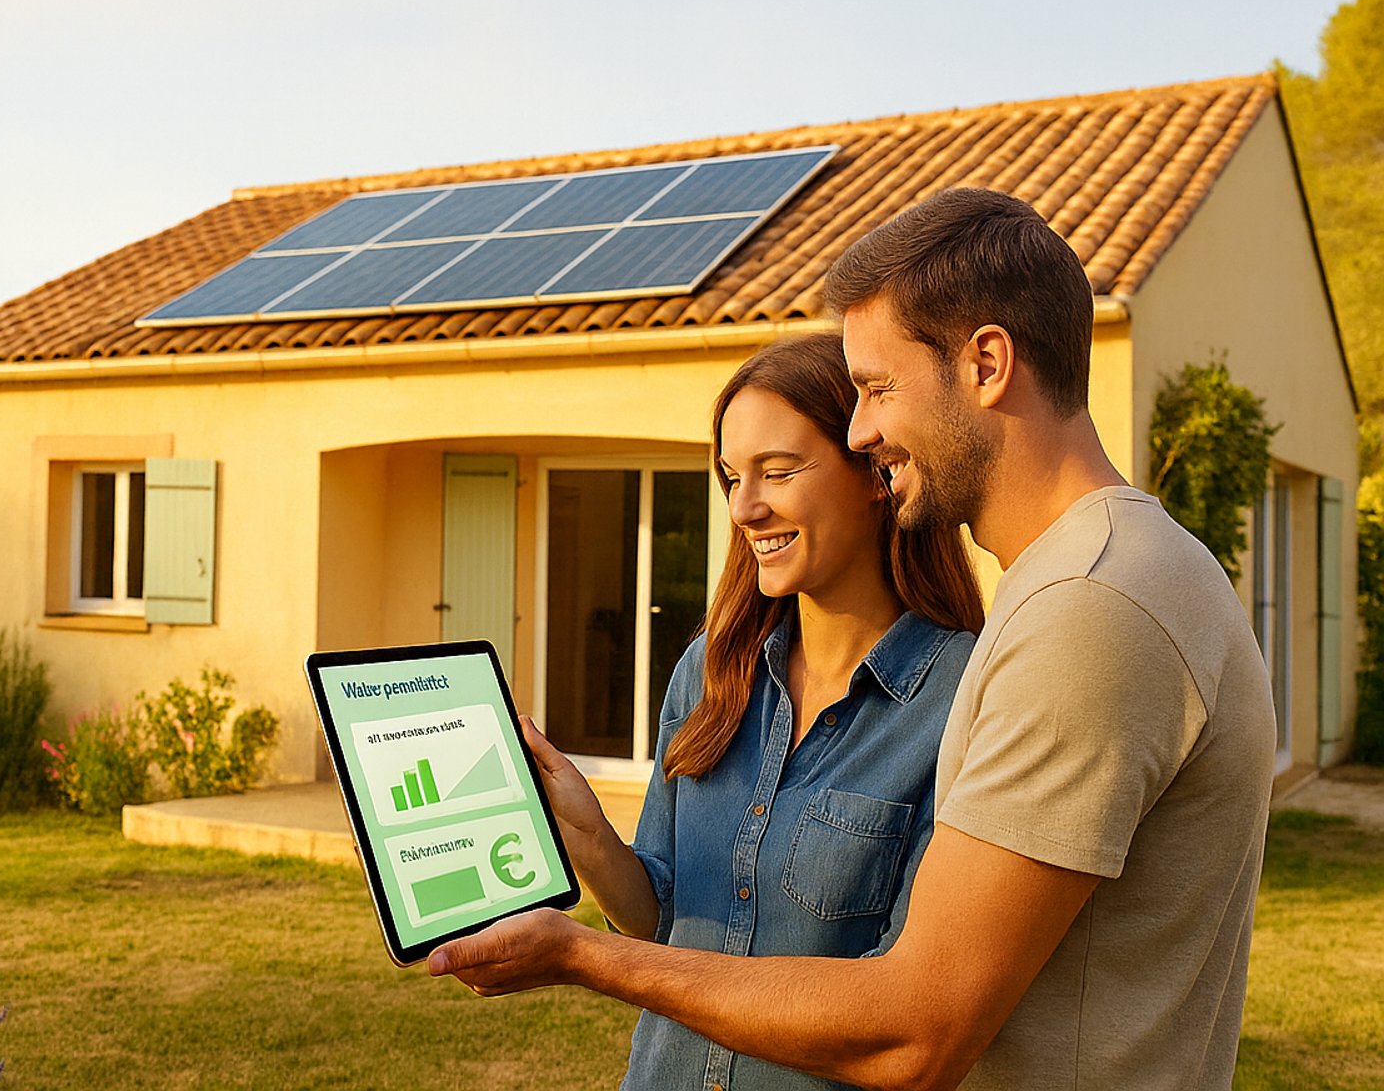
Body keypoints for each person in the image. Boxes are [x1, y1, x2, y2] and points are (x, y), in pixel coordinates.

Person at [429, 187, 1276, 1091]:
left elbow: (917, 1028)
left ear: (987, 362)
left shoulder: (1092, 607)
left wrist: (580, 957)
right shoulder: (1103, 579)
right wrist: (592, 845)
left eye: (877, 388)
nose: (864, 429)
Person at [523, 329, 983, 1090]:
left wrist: (581, 958)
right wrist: (590, 835)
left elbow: (906, 1007)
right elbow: (659, 915)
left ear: (873, 472)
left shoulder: (960, 698)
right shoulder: (708, 671)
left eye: (778, 471)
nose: (745, 507)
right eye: (732, 477)